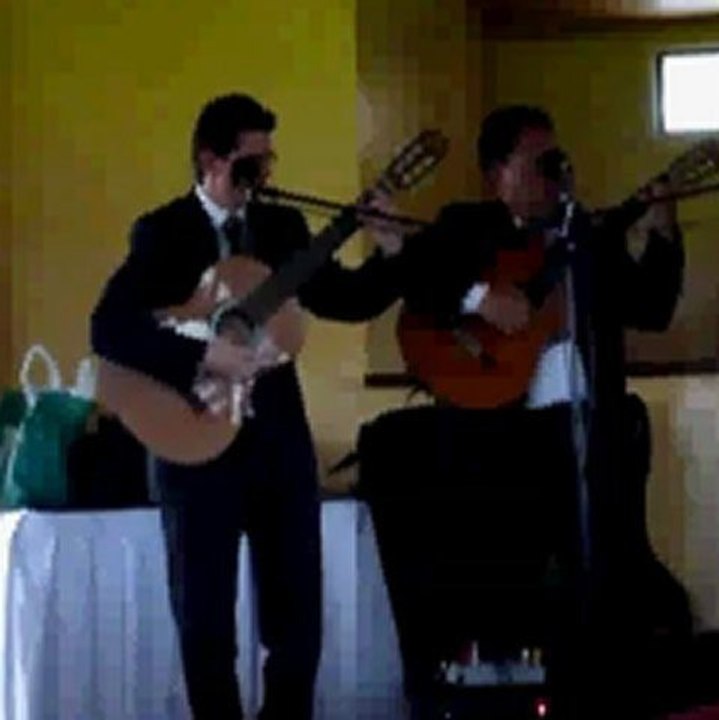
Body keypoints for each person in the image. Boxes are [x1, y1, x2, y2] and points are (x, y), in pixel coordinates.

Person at [90, 93, 402, 720]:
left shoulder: (282, 228)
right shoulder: (164, 232)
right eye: (249, 164)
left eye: (269, 162)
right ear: (210, 160)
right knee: (204, 622)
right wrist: (203, 358)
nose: (263, 177)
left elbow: (344, 298)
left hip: (277, 443)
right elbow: (111, 328)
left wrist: (390, 251)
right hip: (193, 441)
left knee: (299, 621)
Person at [396, 104, 686, 717]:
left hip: (588, 430)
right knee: (514, 579)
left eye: (556, 160)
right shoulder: (467, 226)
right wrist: (480, 297)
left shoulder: (589, 236)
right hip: (501, 434)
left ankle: (603, 691)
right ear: (497, 172)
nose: (551, 173)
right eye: (536, 161)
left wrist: (664, 228)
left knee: (606, 569)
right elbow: (419, 278)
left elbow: (652, 306)